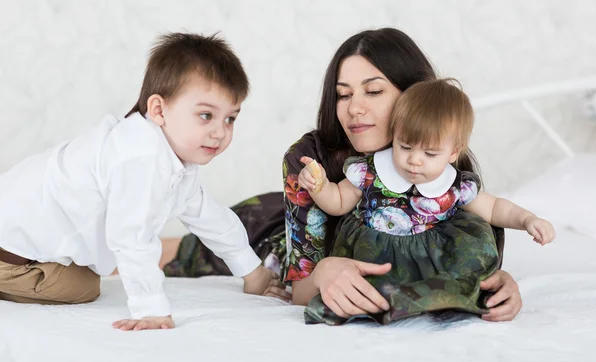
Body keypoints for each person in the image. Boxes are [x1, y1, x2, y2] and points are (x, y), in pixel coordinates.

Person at [164, 27, 524, 322]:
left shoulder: (437, 159)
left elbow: (457, 249)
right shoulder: (309, 160)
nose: (354, 108)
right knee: (180, 250)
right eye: (343, 94)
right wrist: (321, 274)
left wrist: (495, 283)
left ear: (415, 96)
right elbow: (300, 289)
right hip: (266, 231)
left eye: (374, 91)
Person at [0, 32, 286, 331]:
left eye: (230, 119)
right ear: (159, 110)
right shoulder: (138, 159)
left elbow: (210, 217)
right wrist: (150, 309)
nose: (220, 132)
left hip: (18, 231)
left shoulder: (169, 157)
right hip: (12, 254)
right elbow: (132, 238)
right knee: (82, 286)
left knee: (89, 274)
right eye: (206, 115)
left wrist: (253, 272)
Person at [297, 78, 554, 325]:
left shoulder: (454, 187)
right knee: (355, 297)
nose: (415, 160)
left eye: (430, 153)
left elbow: (495, 207)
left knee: (468, 277)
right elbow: (338, 202)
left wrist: (527, 219)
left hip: (432, 260)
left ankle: (445, 299)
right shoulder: (370, 171)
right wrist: (320, 187)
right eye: (405, 147)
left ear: (453, 152)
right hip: (376, 258)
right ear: (394, 136)